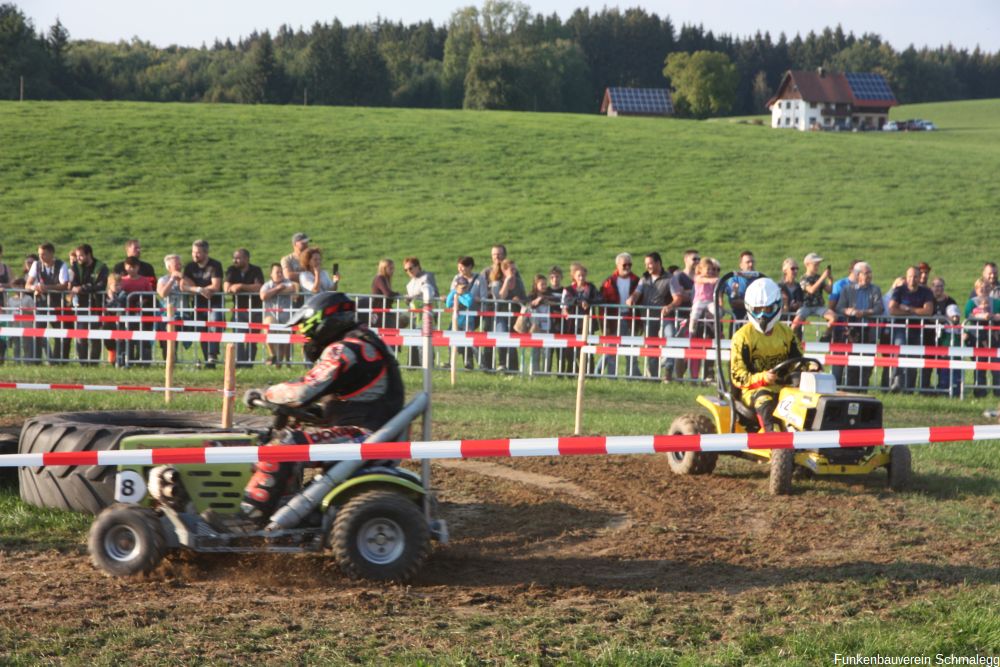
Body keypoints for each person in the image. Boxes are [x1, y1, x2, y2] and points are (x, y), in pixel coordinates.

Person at [239, 292, 404, 525]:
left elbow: (304, 390)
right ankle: (282, 506)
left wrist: (266, 393)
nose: (305, 336)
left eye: (306, 328)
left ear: (324, 323)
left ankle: (248, 518)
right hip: (375, 433)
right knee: (285, 436)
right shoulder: (364, 342)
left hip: (366, 437)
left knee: (283, 445)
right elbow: (345, 400)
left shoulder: (345, 349)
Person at [730, 278, 803, 432]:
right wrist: (763, 378)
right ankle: (775, 442)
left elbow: (798, 361)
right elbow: (737, 376)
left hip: (784, 388)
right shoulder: (742, 337)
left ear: (777, 306)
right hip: (753, 391)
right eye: (757, 310)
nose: (762, 315)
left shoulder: (786, 333)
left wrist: (810, 368)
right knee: (765, 399)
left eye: (768, 310)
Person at [833, 262, 883, 388]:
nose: (868, 276)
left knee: (867, 362)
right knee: (852, 362)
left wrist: (864, 312)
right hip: (852, 331)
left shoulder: (875, 289)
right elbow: (839, 308)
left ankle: (863, 388)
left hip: (868, 330)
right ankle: (851, 388)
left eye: (869, 273)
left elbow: (879, 308)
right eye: (865, 273)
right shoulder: (847, 289)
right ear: (858, 275)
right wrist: (847, 311)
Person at [887, 266, 934, 393]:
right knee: (899, 350)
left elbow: (928, 311)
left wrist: (908, 309)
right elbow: (892, 309)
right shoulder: (899, 290)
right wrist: (916, 311)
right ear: (906, 277)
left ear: (919, 278)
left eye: (915, 277)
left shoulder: (926, 292)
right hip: (900, 328)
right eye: (909, 276)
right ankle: (895, 382)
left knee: (914, 356)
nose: (912, 279)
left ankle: (910, 388)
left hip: (917, 329)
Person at [25, 242, 72, 364]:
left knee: (59, 333)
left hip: (57, 304)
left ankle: (57, 361)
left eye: (44, 254)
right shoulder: (36, 265)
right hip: (41, 303)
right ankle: (36, 360)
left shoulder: (61, 265)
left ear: (52, 254)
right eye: (40, 254)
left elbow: (64, 285)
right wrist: (35, 287)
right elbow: (27, 284)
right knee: (38, 332)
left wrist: (47, 287)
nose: (41, 257)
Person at [628, 252, 672, 379]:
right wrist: (632, 298)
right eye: (646, 264)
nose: (648, 266)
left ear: (658, 263)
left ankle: (668, 366)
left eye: (650, 263)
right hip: (648, 318)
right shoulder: (644, 279)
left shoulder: (669, 278)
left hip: (665, 317)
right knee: (651, 347)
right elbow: (637, 292)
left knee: (670, 338)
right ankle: (653, 377)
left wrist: (670, 306)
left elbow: (677, 297)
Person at [181, 239, 224, 369]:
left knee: (214, 325)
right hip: (197, 303)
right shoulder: (189, 267)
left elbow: (216, 286)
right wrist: (199, 290)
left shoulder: (215, 265)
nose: (194, 255)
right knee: (201, 330)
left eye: (198, 253)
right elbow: (184, 286)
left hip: (214, 303)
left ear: (206, 253)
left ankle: (212, 354)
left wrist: (204, 289)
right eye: (193, 252)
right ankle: (208, 361)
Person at [599, 252, 640, 376]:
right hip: (613, 320)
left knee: (631, 350)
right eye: (624, 265)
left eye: (630, 264)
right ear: (617, 265)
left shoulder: (637, 281)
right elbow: (602, 305)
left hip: (630, 319)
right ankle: (610, 376)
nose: (627, 267)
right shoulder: (609, 282)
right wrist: (604, 324)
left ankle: (632, 376)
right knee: (611, 351)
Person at [224, 248, 265, 367]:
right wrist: (231, 287)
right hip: (239, 310)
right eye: (234, 257)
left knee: (252, 339)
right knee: (239, 337)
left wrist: (241, 286)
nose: (234, 260)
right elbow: (227, 287)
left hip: (255, 309)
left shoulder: (256, 270)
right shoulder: (231, 270)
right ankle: (240, 362)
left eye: (238, 258)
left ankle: (249, 364)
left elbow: (259, 287)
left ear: (246, 259)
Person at [70, 244, 109, 364]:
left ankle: (93, 362)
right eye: (77, 256)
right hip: (81, 305)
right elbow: (72, 284)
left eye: (81, 256)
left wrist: (82, 288)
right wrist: (80, 287)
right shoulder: (75, 267)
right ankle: (83, 362)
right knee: (81, 335)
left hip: (96, 305)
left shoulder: (101, 267)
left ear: (89, 255)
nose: (78, 258)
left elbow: (100, 285)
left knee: (95, 336)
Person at [665, 249, 698, 380]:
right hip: (682, 316)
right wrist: (691, 295)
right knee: (681, 348)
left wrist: (688, 293)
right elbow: (679, 296)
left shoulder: (700, 277)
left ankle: (693, 378)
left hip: (696, 317)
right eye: (694, 259)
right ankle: (678, 377)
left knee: (694, 349)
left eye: (698, 259)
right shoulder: (678, 276)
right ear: (686, 260)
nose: (697, 261)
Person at [964, 278, 1000, 398]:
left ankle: (998, 392)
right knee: (980, 366)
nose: (984, 290)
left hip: (994, 339)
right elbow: (968, 315)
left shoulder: (996, 302)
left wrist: (993, 316)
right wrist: (982, 315)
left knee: (996, 367)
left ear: (990, 289)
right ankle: (980, 393)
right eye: (981, 288)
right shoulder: (972, 302)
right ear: (976, 289)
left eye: (986, 287)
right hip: (977, 339)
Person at [688, 257, 720, 382]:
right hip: (699, 301)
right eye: (708, 269)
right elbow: (705, 280)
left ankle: (717, 326)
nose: (711, 271)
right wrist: (713, 279)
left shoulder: (711, 279)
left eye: (712, 270)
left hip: (709, 301)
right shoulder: (698, 277)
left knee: (716, 312)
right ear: (700, 270)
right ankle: (692, 328)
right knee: (695, 313)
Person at [260, 263, 298, 367]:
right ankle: (272, 354)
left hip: (286, 317)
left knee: (283, 343)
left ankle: (279, 364)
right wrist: (278, 289)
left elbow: (292, 289)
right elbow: (263, 296)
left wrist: (275, 291)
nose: (280, 274)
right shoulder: (267, 285)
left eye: (281, 272)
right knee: (268, 328)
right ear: (271, 274)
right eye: (277, 272)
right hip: (271, 316)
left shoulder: (288, 283)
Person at [495, 258, 527, 372]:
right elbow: (501, 297)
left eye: (515, 269)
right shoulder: (498, 282)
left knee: (513, 341)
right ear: (504, 270)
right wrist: (507, 280)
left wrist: (519, 300)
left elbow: (525, 297)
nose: (514, 271)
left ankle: (514, 368)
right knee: (502, 335)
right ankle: (502, 363)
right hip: (502, 314)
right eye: (511, 269)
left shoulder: (518, 282)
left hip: (515, 315)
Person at [793, 253, 831, 340]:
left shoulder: (819, 277)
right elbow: (811, 290)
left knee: (833, 317)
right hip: (806, 305)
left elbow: (829, 291)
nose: (817, 266)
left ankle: (825, 336)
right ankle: (790, 339)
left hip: (818, 306)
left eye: (818, 264)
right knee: (795, 324)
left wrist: (830, 280)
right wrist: (822, 278)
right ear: (807, 265)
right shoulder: (803, 278)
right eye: (815, 264)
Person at [156, 254, 187, 360]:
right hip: (166, 313)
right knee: (166, 336)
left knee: (175, 333)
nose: (179, 266)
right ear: (169, 267)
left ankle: (173, 359)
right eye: (176, 264)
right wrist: (172, 279)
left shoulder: (185, 278)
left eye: (180, 264)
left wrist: (182, 280)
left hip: (183, 313)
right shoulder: (163, 280)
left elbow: (191, 290)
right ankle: (169, 360)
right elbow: (162, 293)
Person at [725, 250, 757, 334]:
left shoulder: (759, 279)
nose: (751, 264)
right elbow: (734, 302)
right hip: (738, 319)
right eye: (748, 262)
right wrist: (754, 304)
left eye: (752, 262)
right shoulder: (734, 279)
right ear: (741, 265)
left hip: (755, 320)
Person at [938, 304, 963, 398]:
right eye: (953, 316)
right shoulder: (943, 328)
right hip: (945, 355)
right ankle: (943, 390)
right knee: (944, 373)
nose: (955, 318)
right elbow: (939, 340)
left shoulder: (960, 328)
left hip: (957, 355)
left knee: (956, 374)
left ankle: (956, 391)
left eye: (957, 316)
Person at [368, 258, 399, 329]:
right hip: (380, 311)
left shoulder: (385, 279)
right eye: (390, 268)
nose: (393, 271)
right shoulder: (380, 278)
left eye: (393, 268)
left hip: (384, 310)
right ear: (384, 268)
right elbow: (388, 293)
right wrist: (398, 294)